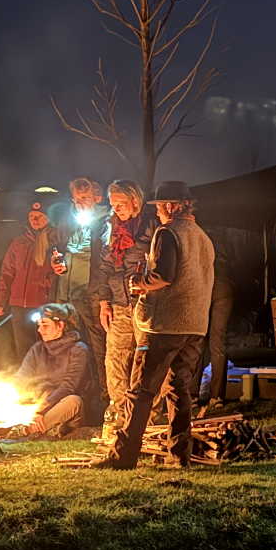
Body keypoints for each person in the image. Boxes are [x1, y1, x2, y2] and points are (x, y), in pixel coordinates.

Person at [93, 182, 215, 469]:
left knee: (140, 391)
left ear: (171, 206)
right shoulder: (203, 237)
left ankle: (122, 458)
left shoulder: (168, 232)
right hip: (195, 327)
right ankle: (179, 457)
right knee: (179, 390)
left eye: (160, 208)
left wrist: (139, 283)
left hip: (163, 326)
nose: (158, 214)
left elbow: (163, 275)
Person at [92, 179, 152, 436]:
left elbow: (156, 263)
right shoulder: (109, 228)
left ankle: (147, 416)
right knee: (114, 359)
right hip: (117, 305)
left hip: (145, 305)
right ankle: (117, 415)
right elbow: (104, 268)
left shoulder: (150, 225)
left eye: (121, 203)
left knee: (145, 361)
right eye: (113, 203)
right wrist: (104, 302)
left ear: (135, 201)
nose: (116, 208)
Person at [51, 178, 107, 386]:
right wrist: (54, 259)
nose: (79, 203)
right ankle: (80, 394)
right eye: (76, 199)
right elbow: (56, 246)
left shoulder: (106, 223)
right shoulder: (69, 222)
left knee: (98, 348)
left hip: (91, 295)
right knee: (72, 347)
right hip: (66, 295)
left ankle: (105, 396)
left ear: (97, 198)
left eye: (84, 198)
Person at [13, 303, 96, 439]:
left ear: (61, 325)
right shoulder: (38, 349)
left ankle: (26, 432)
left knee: (74, 402)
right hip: (39, 409)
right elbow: (21, 378)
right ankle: (48, 429)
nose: (40, 330)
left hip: (62, 409)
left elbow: (68, 387)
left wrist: (41, 410)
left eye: (45, 325)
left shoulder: (79, 349)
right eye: (39, 325)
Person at [0, 201, 57, 359]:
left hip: (42, 304)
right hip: (19, 304)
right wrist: (0, 300)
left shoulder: (54, 241)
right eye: (32, 216)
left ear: (48, 219)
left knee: (44, 348)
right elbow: (7, 272)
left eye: (40, 216)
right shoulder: (18, 242)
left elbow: (58, 273)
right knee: (23, 349)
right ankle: (27, 382)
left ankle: (45, 382)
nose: (35, 220)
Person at [196, 225, 235, 408]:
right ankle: (217, 397)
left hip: (204, 288)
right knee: (218, 341)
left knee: (197, 341)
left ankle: (191, 396)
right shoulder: (224, 248)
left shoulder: (198, 244)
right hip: (224, 288)